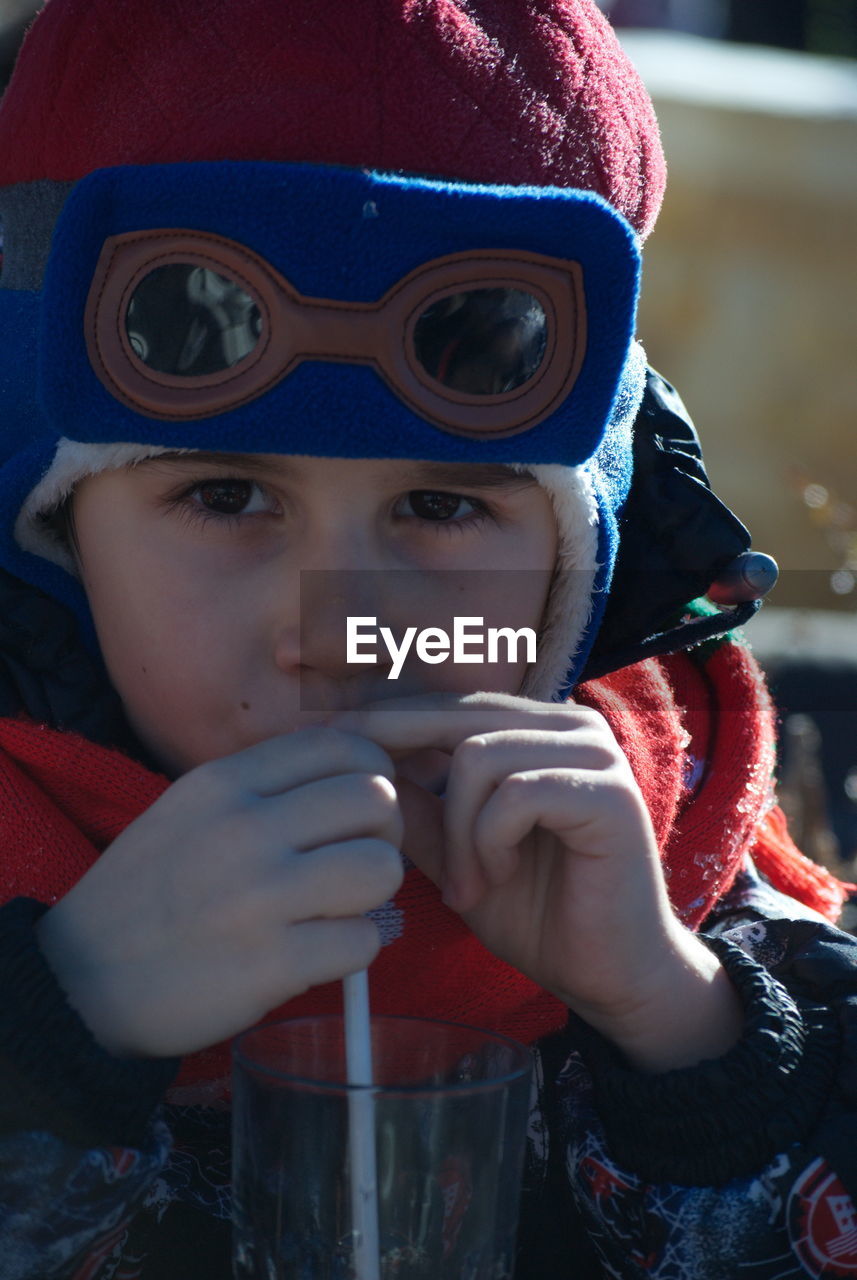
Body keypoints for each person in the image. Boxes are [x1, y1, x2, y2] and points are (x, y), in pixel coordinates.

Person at [0, 1, 855, 1277]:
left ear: (580, 563)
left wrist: (678, 1019)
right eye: (225, 496)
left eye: (443, 504)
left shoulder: (675, 855)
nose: (333, 625)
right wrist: (58, 1025)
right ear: (55, 535)